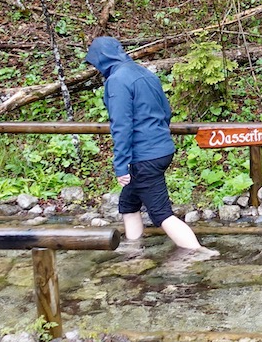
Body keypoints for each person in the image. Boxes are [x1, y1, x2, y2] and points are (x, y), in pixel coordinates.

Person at [85, 36, 218, 258]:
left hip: (144, 155)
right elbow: (166, 112)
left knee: (161, 214)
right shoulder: (144, 73)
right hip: (161, 149)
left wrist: (121, 166)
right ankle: (134, 251)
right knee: (128, 204)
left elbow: (121, 125)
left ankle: (200, 252)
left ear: (101, 60)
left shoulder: (117, 81)